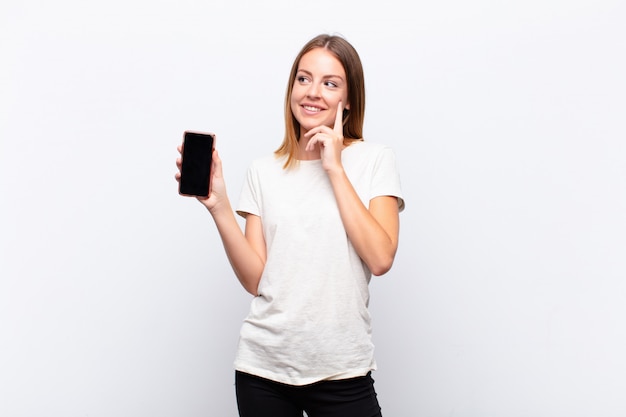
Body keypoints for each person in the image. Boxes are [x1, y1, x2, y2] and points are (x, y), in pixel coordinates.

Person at [176, 33, 404, 417]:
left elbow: (380, 258)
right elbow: (256, 280)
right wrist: (219, 206)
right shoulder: (264, 171)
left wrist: (333, 167)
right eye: (304, 78)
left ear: (348, 99)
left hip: (342, 372)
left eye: (330, 83)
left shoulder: (374, 160)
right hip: (263, 371)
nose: (313, 92)